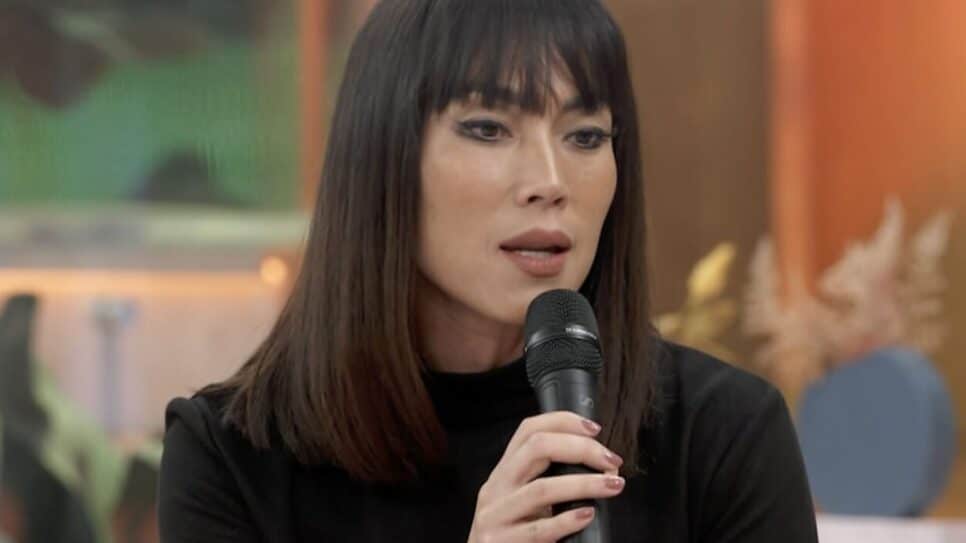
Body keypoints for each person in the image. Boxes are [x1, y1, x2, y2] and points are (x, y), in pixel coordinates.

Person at [158, 1, 819, 541]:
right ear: (383, 155)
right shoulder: (231, 457)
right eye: (488, 128)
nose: (551, 181)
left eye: (586, 136)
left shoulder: (722, 433)